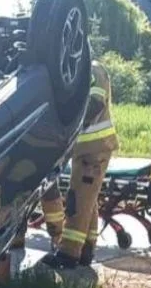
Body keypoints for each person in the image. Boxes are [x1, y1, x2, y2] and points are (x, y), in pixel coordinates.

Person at [41, 60, 119, 268]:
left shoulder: (91, 69)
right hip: (87, 148)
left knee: (79, 200)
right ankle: (86, 249)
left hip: (93, 148)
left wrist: (71, 126)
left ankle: (68, 254)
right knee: (88, 201)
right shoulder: (76, 71)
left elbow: (96, 102)